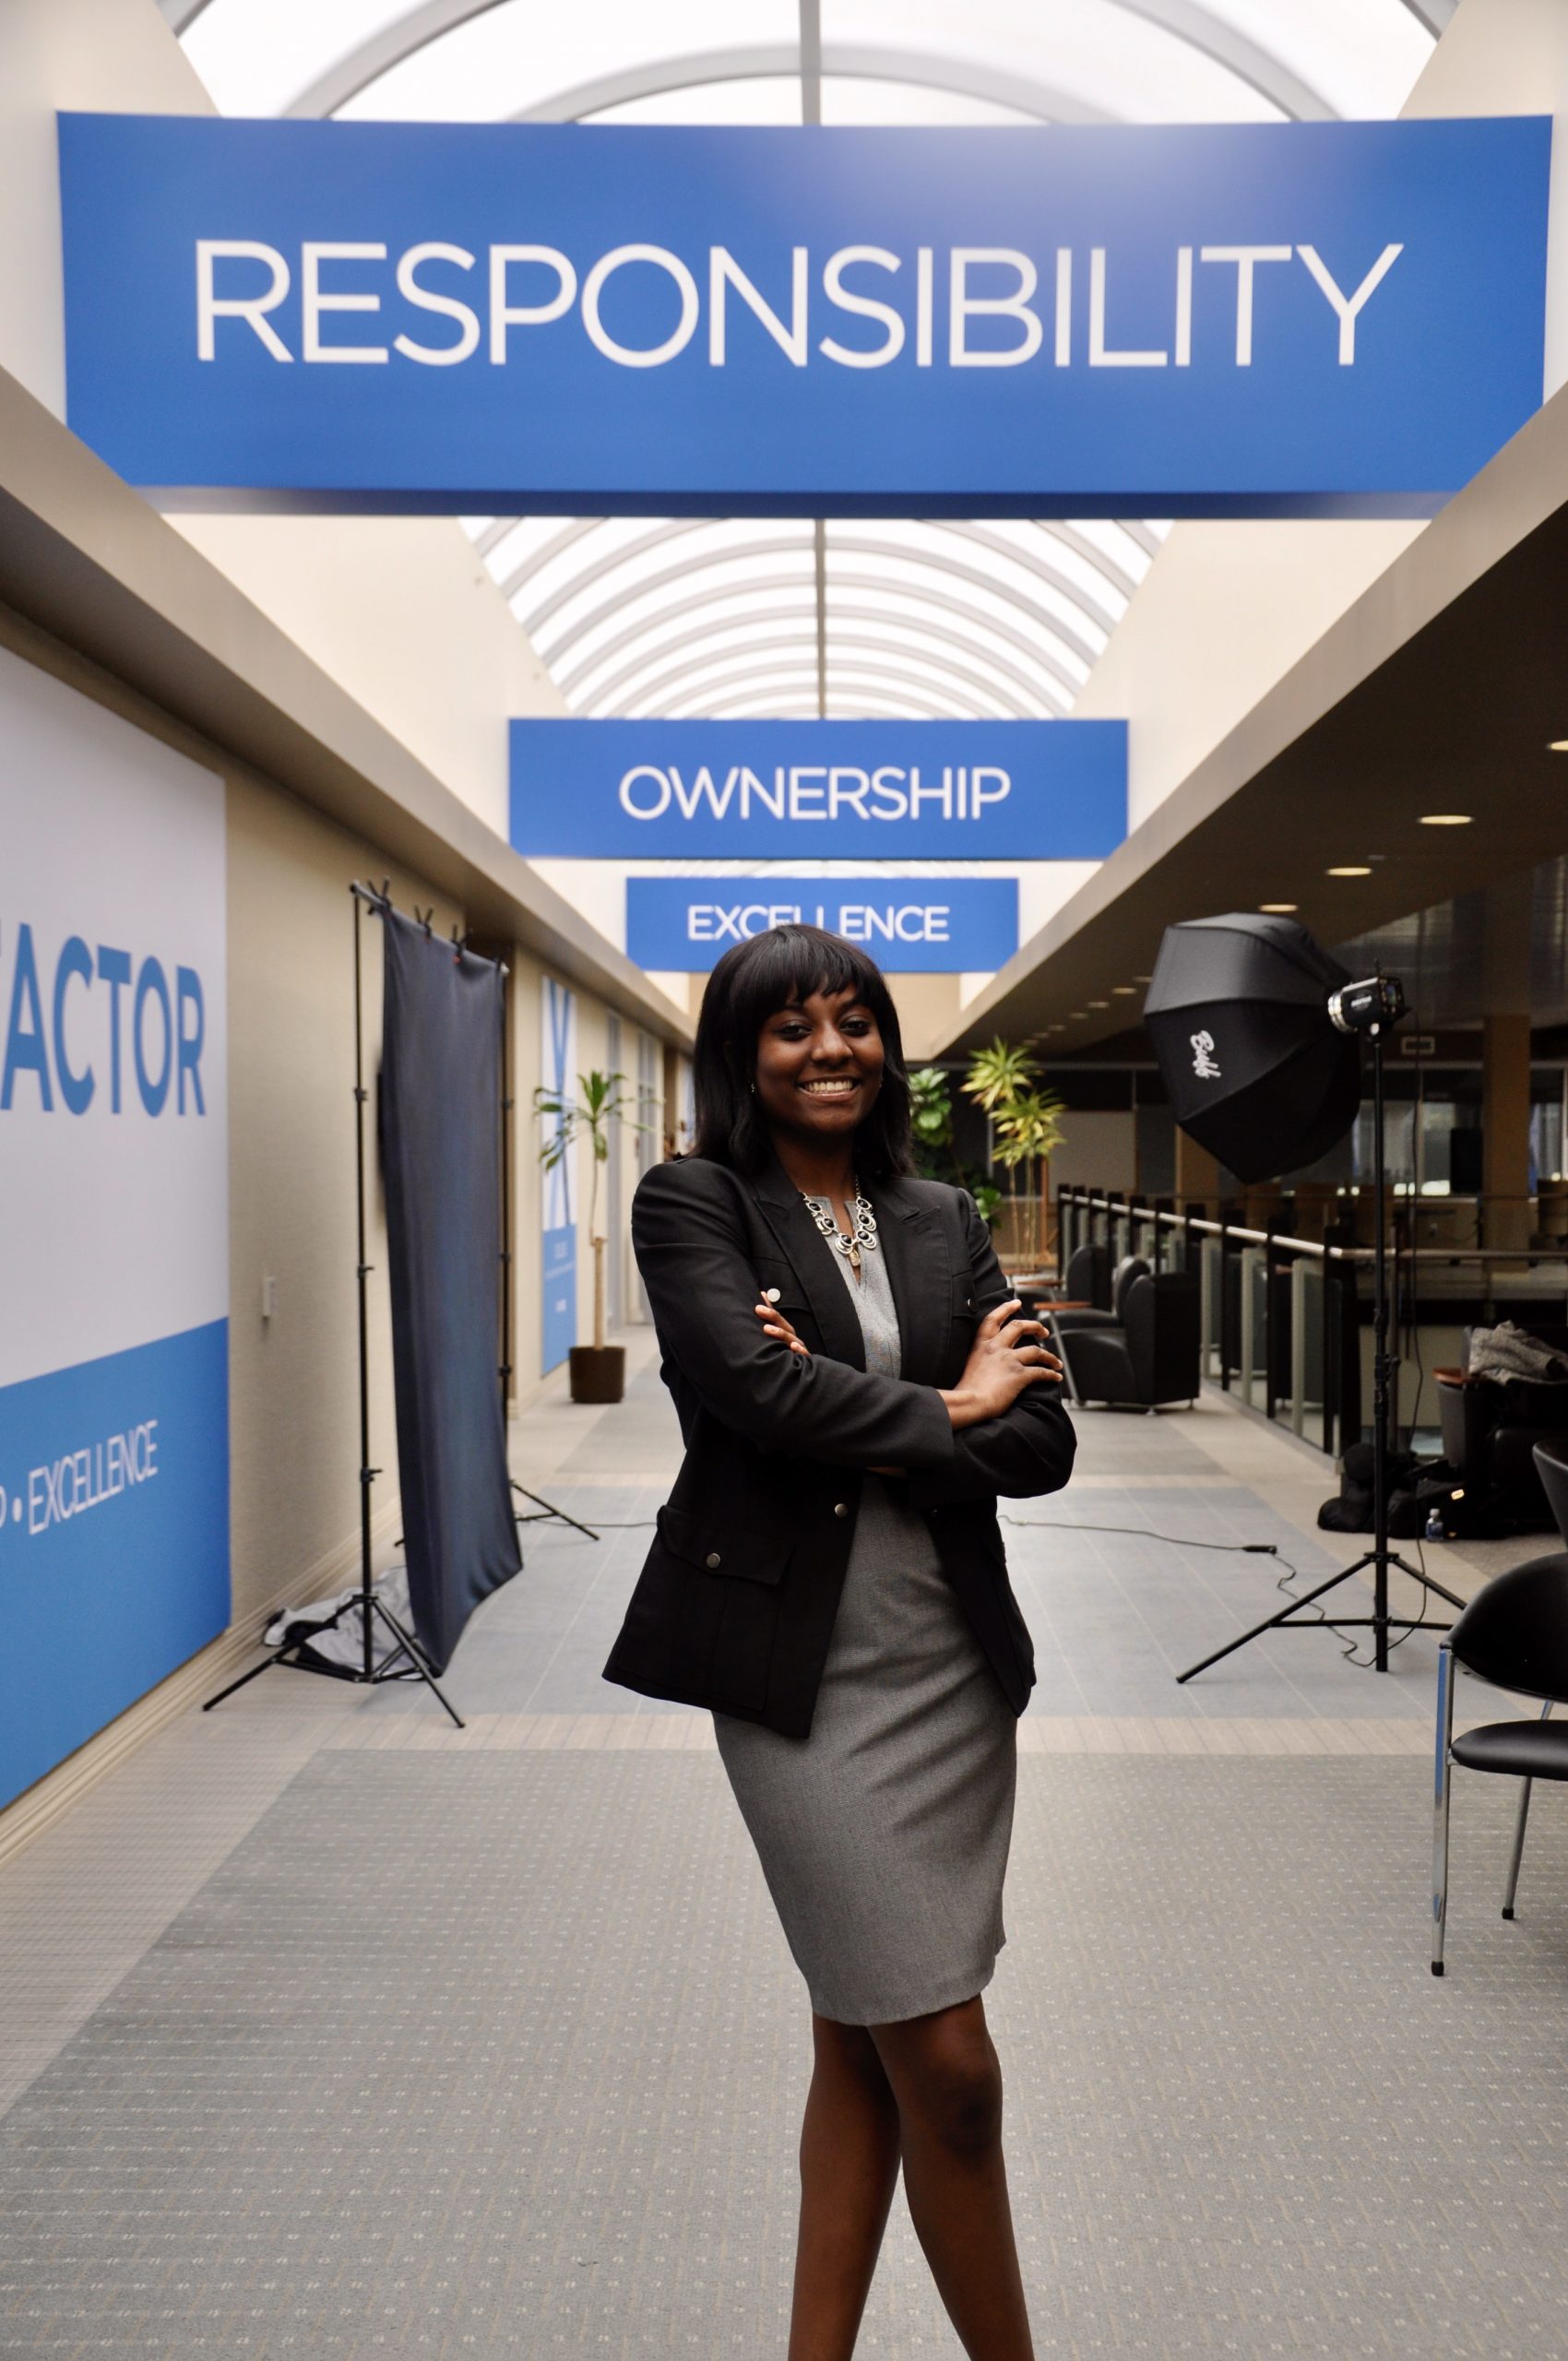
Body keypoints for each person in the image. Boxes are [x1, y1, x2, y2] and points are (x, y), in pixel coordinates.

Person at [602, 923, 1075, 2361]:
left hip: (946, 1669)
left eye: (856, 1022)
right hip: (799, 1681)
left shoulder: (938, 1214)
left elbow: (1046, 1438)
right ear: (742, 1052)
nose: (833, 1051)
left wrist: (881, 1404)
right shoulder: (697, 1205)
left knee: (859, 2040)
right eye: (794, 1027)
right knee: (949, 2062)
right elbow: (749, 1397)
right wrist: (951, 1404)